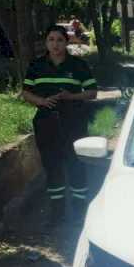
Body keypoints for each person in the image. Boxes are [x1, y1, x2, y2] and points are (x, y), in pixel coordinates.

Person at [21, 25, 98, 225]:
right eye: (51, 40)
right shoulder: (37, 65)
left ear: (67, 42)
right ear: (46, 42)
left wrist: (71, 96)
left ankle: (80, 211)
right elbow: (26, 92)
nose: (55, 44)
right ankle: (58, 212)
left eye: (59, 40)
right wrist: (42, 101)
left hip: (74, 122)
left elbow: (92, 92)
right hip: (46, 123)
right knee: (52, 166)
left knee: (76, 164)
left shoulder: (78, 65)